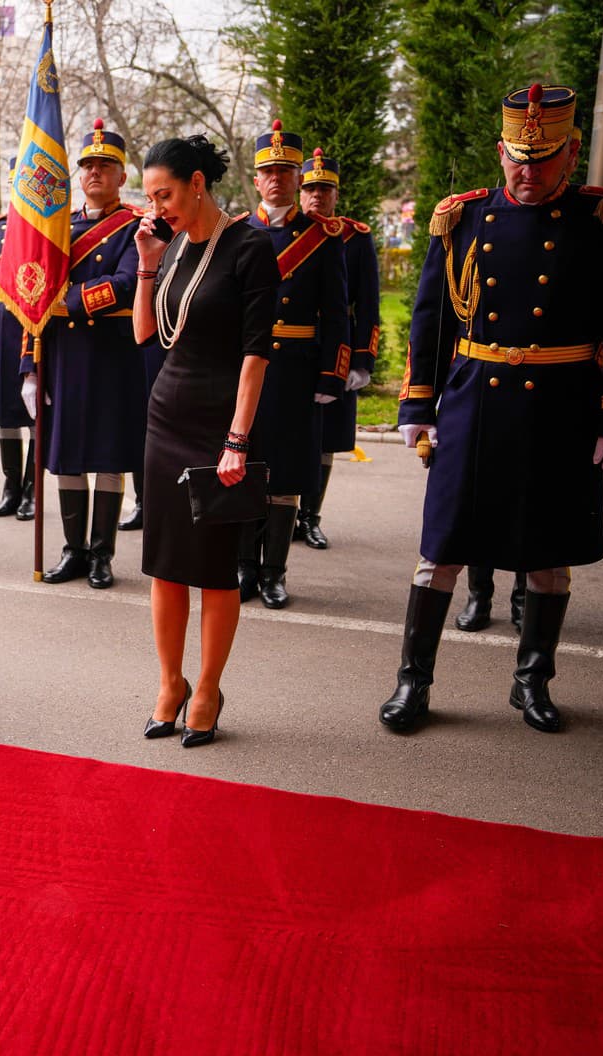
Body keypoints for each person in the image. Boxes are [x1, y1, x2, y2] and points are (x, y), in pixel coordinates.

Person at [379, 84, 603, 735]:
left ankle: (532, 680)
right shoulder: (463, 217)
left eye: (544, 158)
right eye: (517, 157)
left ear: (572, 152)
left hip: (562, 405)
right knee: (442, 544)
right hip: (475, 400)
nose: (527, 171)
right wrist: (418, 403)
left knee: (548, 552)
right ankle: (413, 680)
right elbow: (430, 320)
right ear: (500, 151)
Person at [133, 135, 279, 748]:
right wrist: (146, 261)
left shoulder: (250, 246)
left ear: (197, 183)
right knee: (165, 564)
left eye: (164, 195)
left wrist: (237, 440)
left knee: (216, 569)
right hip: (166, 416)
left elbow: (256, 354)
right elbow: (146, 333)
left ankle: (209, 690)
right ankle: (171, 683)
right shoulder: (169, 247)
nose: (157, 207)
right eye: (151, 198)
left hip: (222, 425)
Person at [24, 120, 144, 589]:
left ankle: (101, 555)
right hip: (65, 357)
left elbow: (126, 282)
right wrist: (28, 368)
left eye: (105, 166)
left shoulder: (135, 226)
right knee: (68, 455)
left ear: (122, 175)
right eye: (88, 165)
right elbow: (31, 295)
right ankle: (73, 550)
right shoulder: (59, 227)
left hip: (112, 357)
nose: (95, 172)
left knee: (108, 457)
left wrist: (68, 300)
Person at [241, 121, 349, 609]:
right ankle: (244, 566)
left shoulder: (322, 237)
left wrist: (332, 373)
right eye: (269, 172)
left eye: (286, 171)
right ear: (257, 178)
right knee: (244, 469)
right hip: (247, 370)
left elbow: (337, 312)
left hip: (297, 372)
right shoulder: (238, 232)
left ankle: (274, 573)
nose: (277, 179)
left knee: (284, 475)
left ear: (297, 178)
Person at [296, 148, 380, 550]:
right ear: (300, 192)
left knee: (326, 438)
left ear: (336, 194)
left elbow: (368, 304)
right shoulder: (285, 232)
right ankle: (280, 514)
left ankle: (310, 517)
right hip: (292, 342)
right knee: (284, 432)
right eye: (311, 189)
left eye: (325, 189)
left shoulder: (354, 238)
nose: (317, 196)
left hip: (337, 346)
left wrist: (362, 361)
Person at [0, 162, 37, 521]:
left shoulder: (45, 227)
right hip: (0, 328)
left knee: (33, 413)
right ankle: (10, 487)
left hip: (33, 326)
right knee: (4, 414)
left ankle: (32, 489)